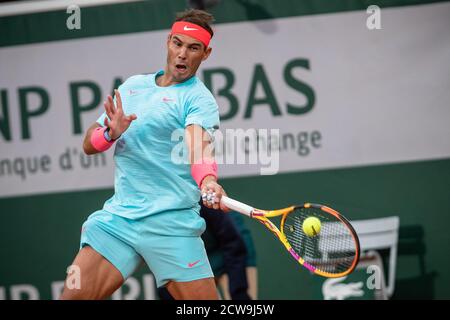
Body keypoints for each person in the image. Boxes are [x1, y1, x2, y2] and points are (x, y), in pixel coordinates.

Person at [60, 9, 229, 300]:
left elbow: (197, 145)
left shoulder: (198, 99)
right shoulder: (133, 86)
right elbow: (89, 144)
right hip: (120, 219)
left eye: (193, 48)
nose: (183, 54)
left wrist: (208, 180)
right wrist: (109, 133)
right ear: (168, 42)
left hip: (171, 223)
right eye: (178, 44)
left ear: (206, 53)